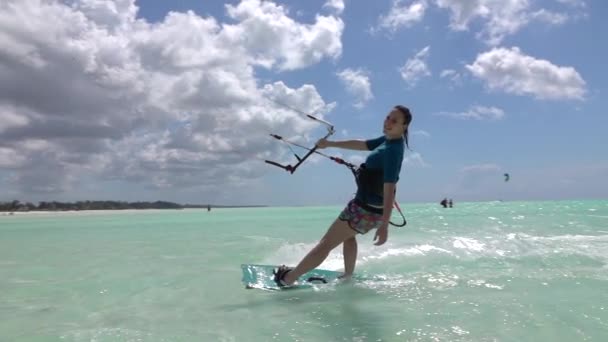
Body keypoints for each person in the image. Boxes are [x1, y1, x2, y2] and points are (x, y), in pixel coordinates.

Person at [273, 105, 412, 287]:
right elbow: (363, 144)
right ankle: (347, 276)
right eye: (388, 117)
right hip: (364, 206)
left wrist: (385, 225)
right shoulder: (388, 140)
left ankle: (288, 279)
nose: (388, 122)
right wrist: (330, 144)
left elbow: (389, 187)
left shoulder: (394, 150)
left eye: (395, 120)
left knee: (326, 244)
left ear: (404, 126)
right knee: (348, 236)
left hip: (365, 211)